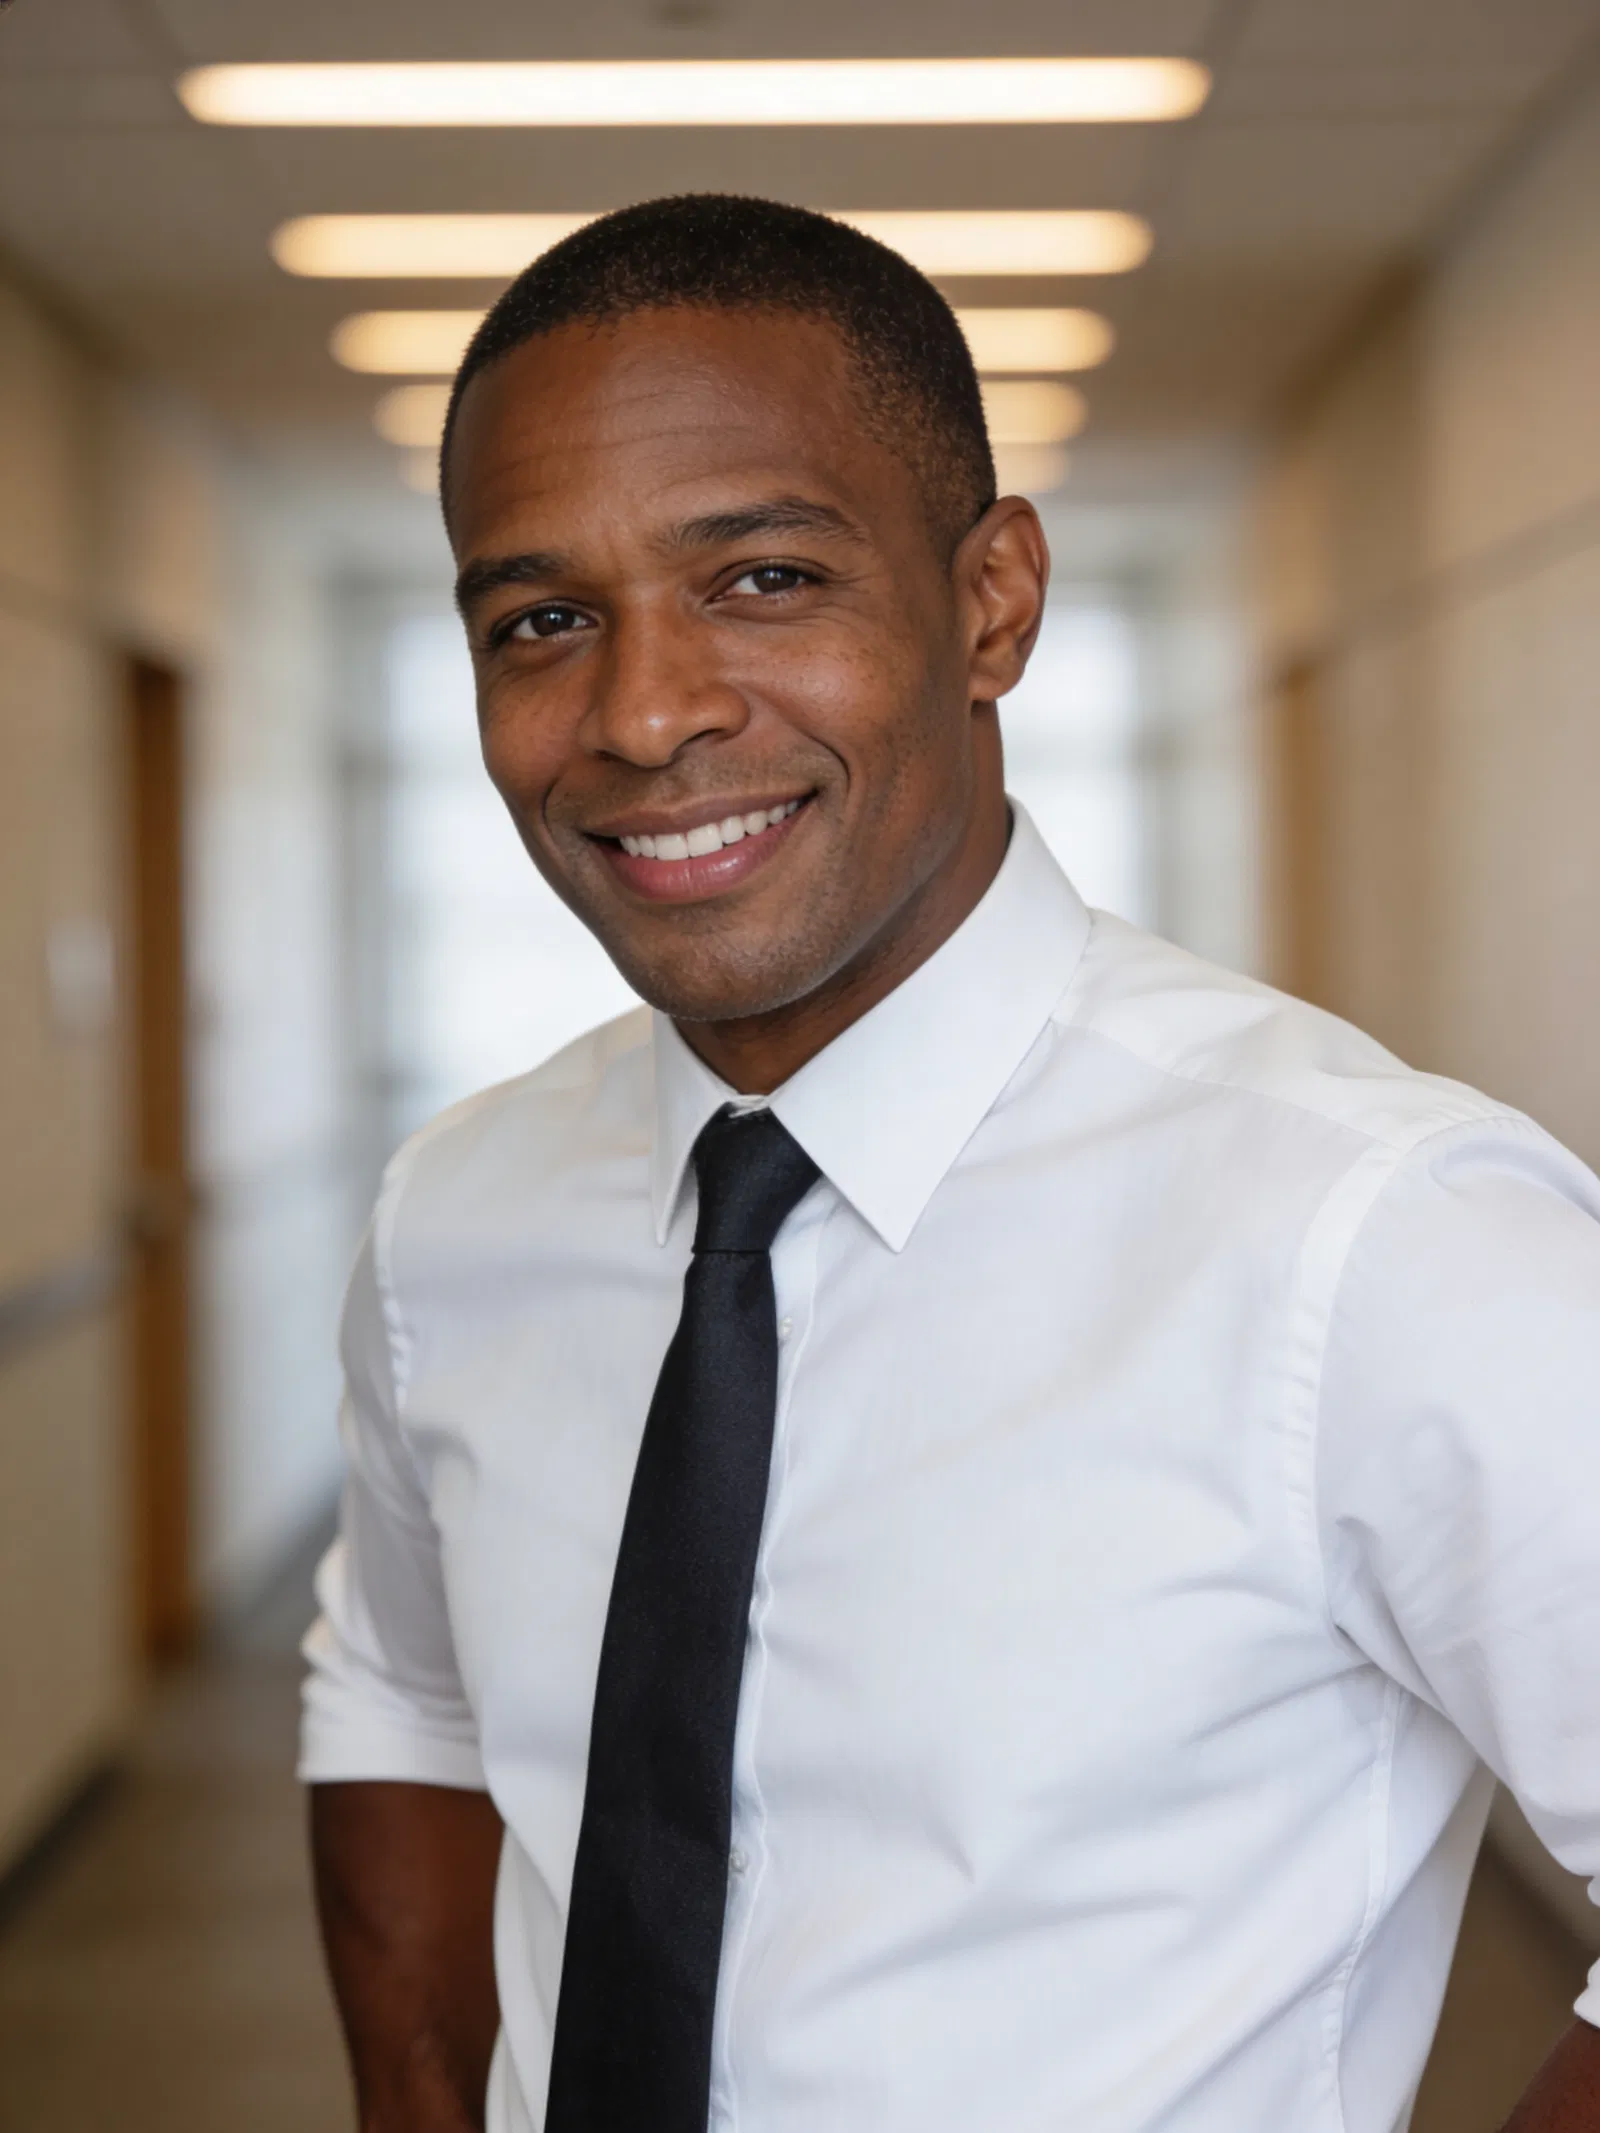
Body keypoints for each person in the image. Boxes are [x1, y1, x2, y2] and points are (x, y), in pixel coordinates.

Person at [301, 195, 1600, 2133]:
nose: (645, 713)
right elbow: (403, 1694)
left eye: (759, 577)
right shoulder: (456, 1215)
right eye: (543, 621)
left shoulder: (1373, 1235)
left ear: (990, 600)